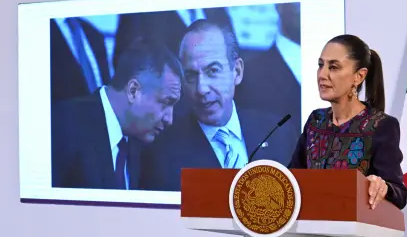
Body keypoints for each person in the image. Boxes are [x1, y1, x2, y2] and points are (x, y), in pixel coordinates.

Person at [288, 34, 407, 237]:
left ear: (359, 76)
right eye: (320, 65)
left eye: (333, 66)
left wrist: (382, 186)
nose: (322, 75)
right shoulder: (315, 122)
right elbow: (293, 178)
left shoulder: (381, 125)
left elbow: (399, 193)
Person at [139, 19, 297, 192]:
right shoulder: (162, 155)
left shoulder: (280, 134)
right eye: (191, 75)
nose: (201, 89)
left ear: (236, 72)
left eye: (212, 71)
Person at [51, 38, 182, 190]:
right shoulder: (63, 125)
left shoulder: (142, 146)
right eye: (165, 103)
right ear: (133, 90)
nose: (169, 119)